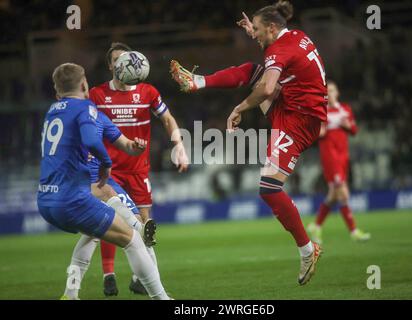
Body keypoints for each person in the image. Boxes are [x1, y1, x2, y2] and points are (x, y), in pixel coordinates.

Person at [171, 1, 325, 285]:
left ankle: (307, 249)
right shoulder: (296, 36)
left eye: (256, 30)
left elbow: (268, 88)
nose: (253, 34)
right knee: (252, 70)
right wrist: (253, 33)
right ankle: (198, 81)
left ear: (271, 27)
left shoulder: (279, 49)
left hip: (298, 121)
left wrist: (239, 108)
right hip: (292, 106)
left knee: (268, 188)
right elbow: (275, 68)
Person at [38, 63, 171, 300]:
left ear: (57, 93)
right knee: (133, 242)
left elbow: (119, 142)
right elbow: (90, 139)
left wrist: (132, 146)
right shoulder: (85, 108)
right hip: (73, 199)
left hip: (47, 199)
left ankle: (70, 294)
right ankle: (162, 298)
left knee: (95, 223)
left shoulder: (52, 111)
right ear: (84, 85)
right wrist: (106, 163)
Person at [90, 42, 189, 295]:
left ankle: (138, 279)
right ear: (110, 65)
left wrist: (178, 144)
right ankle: (109, 274)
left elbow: (167, 118)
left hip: (138, 171)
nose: (121, 62)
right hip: (108, 172)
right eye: (116, 59)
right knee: (110, 222)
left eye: (126, 58)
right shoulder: (97, 95)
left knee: (146, 225)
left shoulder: (147, 92)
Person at [307, 81, 371, 244]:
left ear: (337, 92)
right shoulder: (321, 111)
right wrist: (322, 129)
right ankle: (354, 231)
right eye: (327, 91)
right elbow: (316, 134)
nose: (330, 93)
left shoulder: (345, 110)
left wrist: (347, 125)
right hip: (330, 155)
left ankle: (316, 225)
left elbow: (354, 131)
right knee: (343, 193)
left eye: (332, 90)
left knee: (333, 195)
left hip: (343, 155)